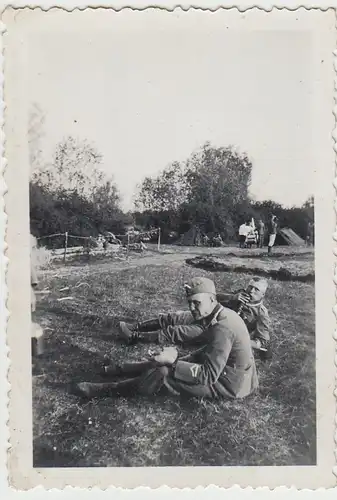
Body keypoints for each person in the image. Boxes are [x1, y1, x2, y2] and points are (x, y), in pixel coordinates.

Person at [73, 277, 258, 400]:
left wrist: (174, 362)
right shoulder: (220, 314)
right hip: (231, 370)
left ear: (212, 300)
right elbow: (211, 351)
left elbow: (208, 376)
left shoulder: (223, 327)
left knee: (163, 374)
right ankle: (119, 369)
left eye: (197, 303)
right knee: (171, 362)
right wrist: (178, 359)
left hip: (230, 384)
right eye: (190, 302)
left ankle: (106, 390)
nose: (192, 308)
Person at [117, 277, 271, 360]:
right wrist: (233, 297)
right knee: (172, 317)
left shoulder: (261, 314)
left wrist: (239, 339)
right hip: (205, 314)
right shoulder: (240, 294)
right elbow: (213, 297)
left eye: (255, 290)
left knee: (174, 332)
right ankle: (135, 326)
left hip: (212, 330)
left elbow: (261, 342)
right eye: (250, 286)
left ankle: (135, 337)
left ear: (262, 295)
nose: (250, 291)